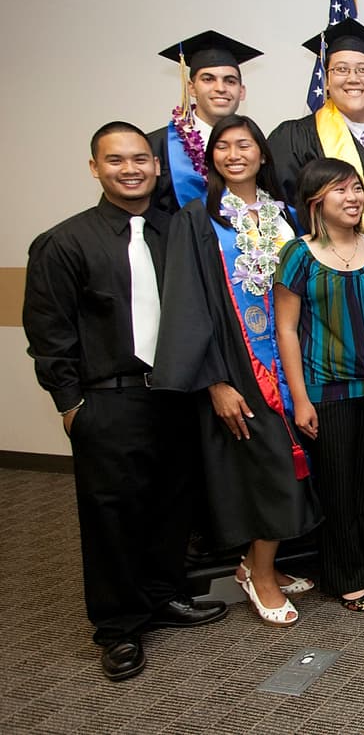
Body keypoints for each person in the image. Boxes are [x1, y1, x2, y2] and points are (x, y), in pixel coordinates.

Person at [23, 121, 227, 681]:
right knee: (112, 514)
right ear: (95, 168)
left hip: (176, 394)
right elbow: (50, 333)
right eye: (116, 160)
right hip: (108, 399)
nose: (131, 169)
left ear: (157, 166)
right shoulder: (64, 242)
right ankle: (118, 627)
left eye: (140, 159)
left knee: (172, 503)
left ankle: (163, 596)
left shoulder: (177, 233)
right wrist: (70, 406)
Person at [152, 114, 323, 626]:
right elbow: (187, 304)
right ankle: (260, 574)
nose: (234, 154)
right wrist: (215, 381)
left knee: (290, 463)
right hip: (239, 364)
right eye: (223, 147)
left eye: (244, 145)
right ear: (211, 159)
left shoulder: (286, 216)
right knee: (269, 466)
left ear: (262, 154)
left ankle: (258, 559)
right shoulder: (196, 220)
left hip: (291, 358)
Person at [274, 157, 364, 613]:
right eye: (340, 191)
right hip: (325, 391)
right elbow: (286, 331)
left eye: (356, 189)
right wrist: (299, 398)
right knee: (338, 489)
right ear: (316, 202)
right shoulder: (297, 255)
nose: (352, 198)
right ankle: (341, 575)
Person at [268, 17, 364, 239]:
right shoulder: (294, 139)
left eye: (363, 70)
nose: (353, 79)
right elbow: (283, 213)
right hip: (334, 267)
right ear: (326, 80)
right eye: (341, 69)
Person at [150, 31, 261, 214]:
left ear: (241, 92)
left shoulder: (254, 147)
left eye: (230, 81)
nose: (220, 88)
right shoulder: (159, 146)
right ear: (191, 88)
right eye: (208, 79)